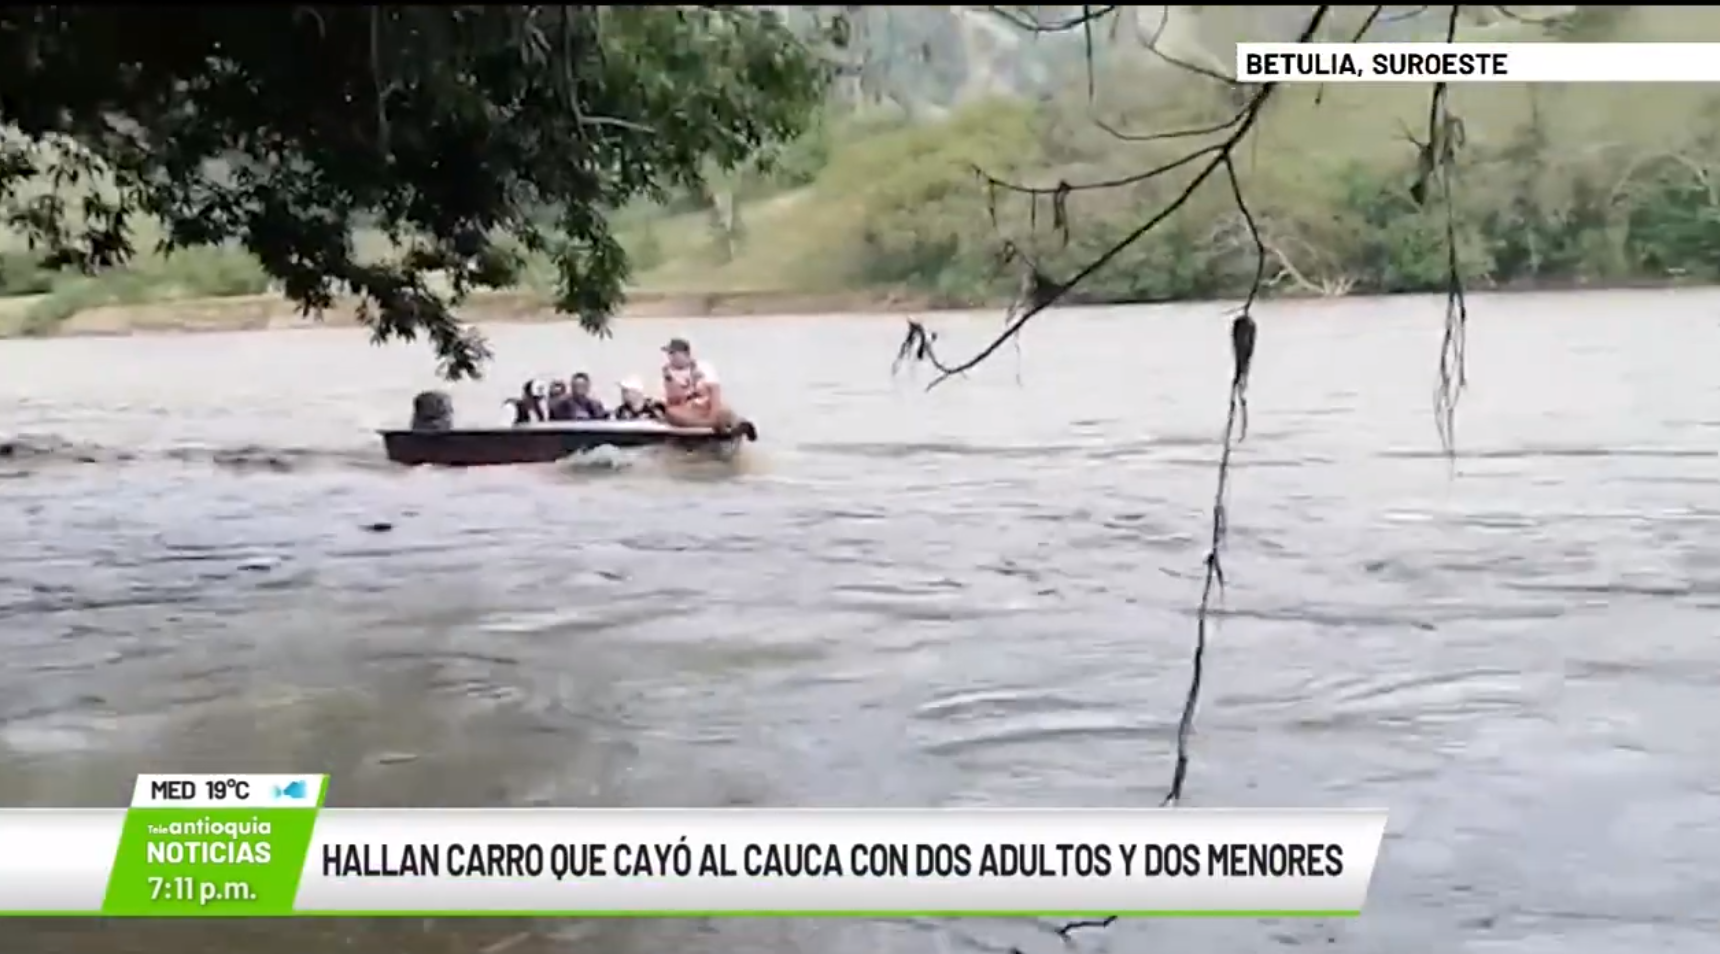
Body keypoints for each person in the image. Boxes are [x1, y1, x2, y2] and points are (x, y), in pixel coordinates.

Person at [659, 337, 741, 431]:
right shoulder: (666, 374)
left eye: (673, 353)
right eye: (669, 354)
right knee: (672, 413)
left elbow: (715, 391)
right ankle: (713, 424)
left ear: (685, 354)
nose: (670, 357)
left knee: (724, 410)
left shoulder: (703, 367)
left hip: (707, 407)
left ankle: (728, 423)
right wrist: (669, 379)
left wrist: (713, 414)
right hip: (687, 410)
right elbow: (672, 400)